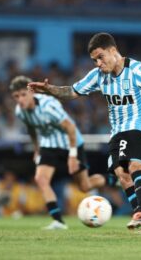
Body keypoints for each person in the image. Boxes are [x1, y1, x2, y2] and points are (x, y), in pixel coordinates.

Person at [28, 32, 141, 233]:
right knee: (122, 175)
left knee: (135, 166)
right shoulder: (98, 76)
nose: (98, 63)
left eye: (100, 57)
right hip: (117, 132)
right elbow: (72, 92)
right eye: (94, 60)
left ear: (113, 51)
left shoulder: (139, 71)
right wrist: (49, 90)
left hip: (140, 127)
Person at [10, 76, 106, 230]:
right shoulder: (20, 111)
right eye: (16, 96)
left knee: (84, 186)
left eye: (23, 94)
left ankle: (112, 179)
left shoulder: (49, 105)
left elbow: (70, 128)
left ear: (31, 92)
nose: (20, 100)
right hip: (49, 144)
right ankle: (58, 221)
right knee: (41, 179)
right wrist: (36, 149)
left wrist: (73, 156)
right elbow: (31, 128)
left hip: (71, 142)